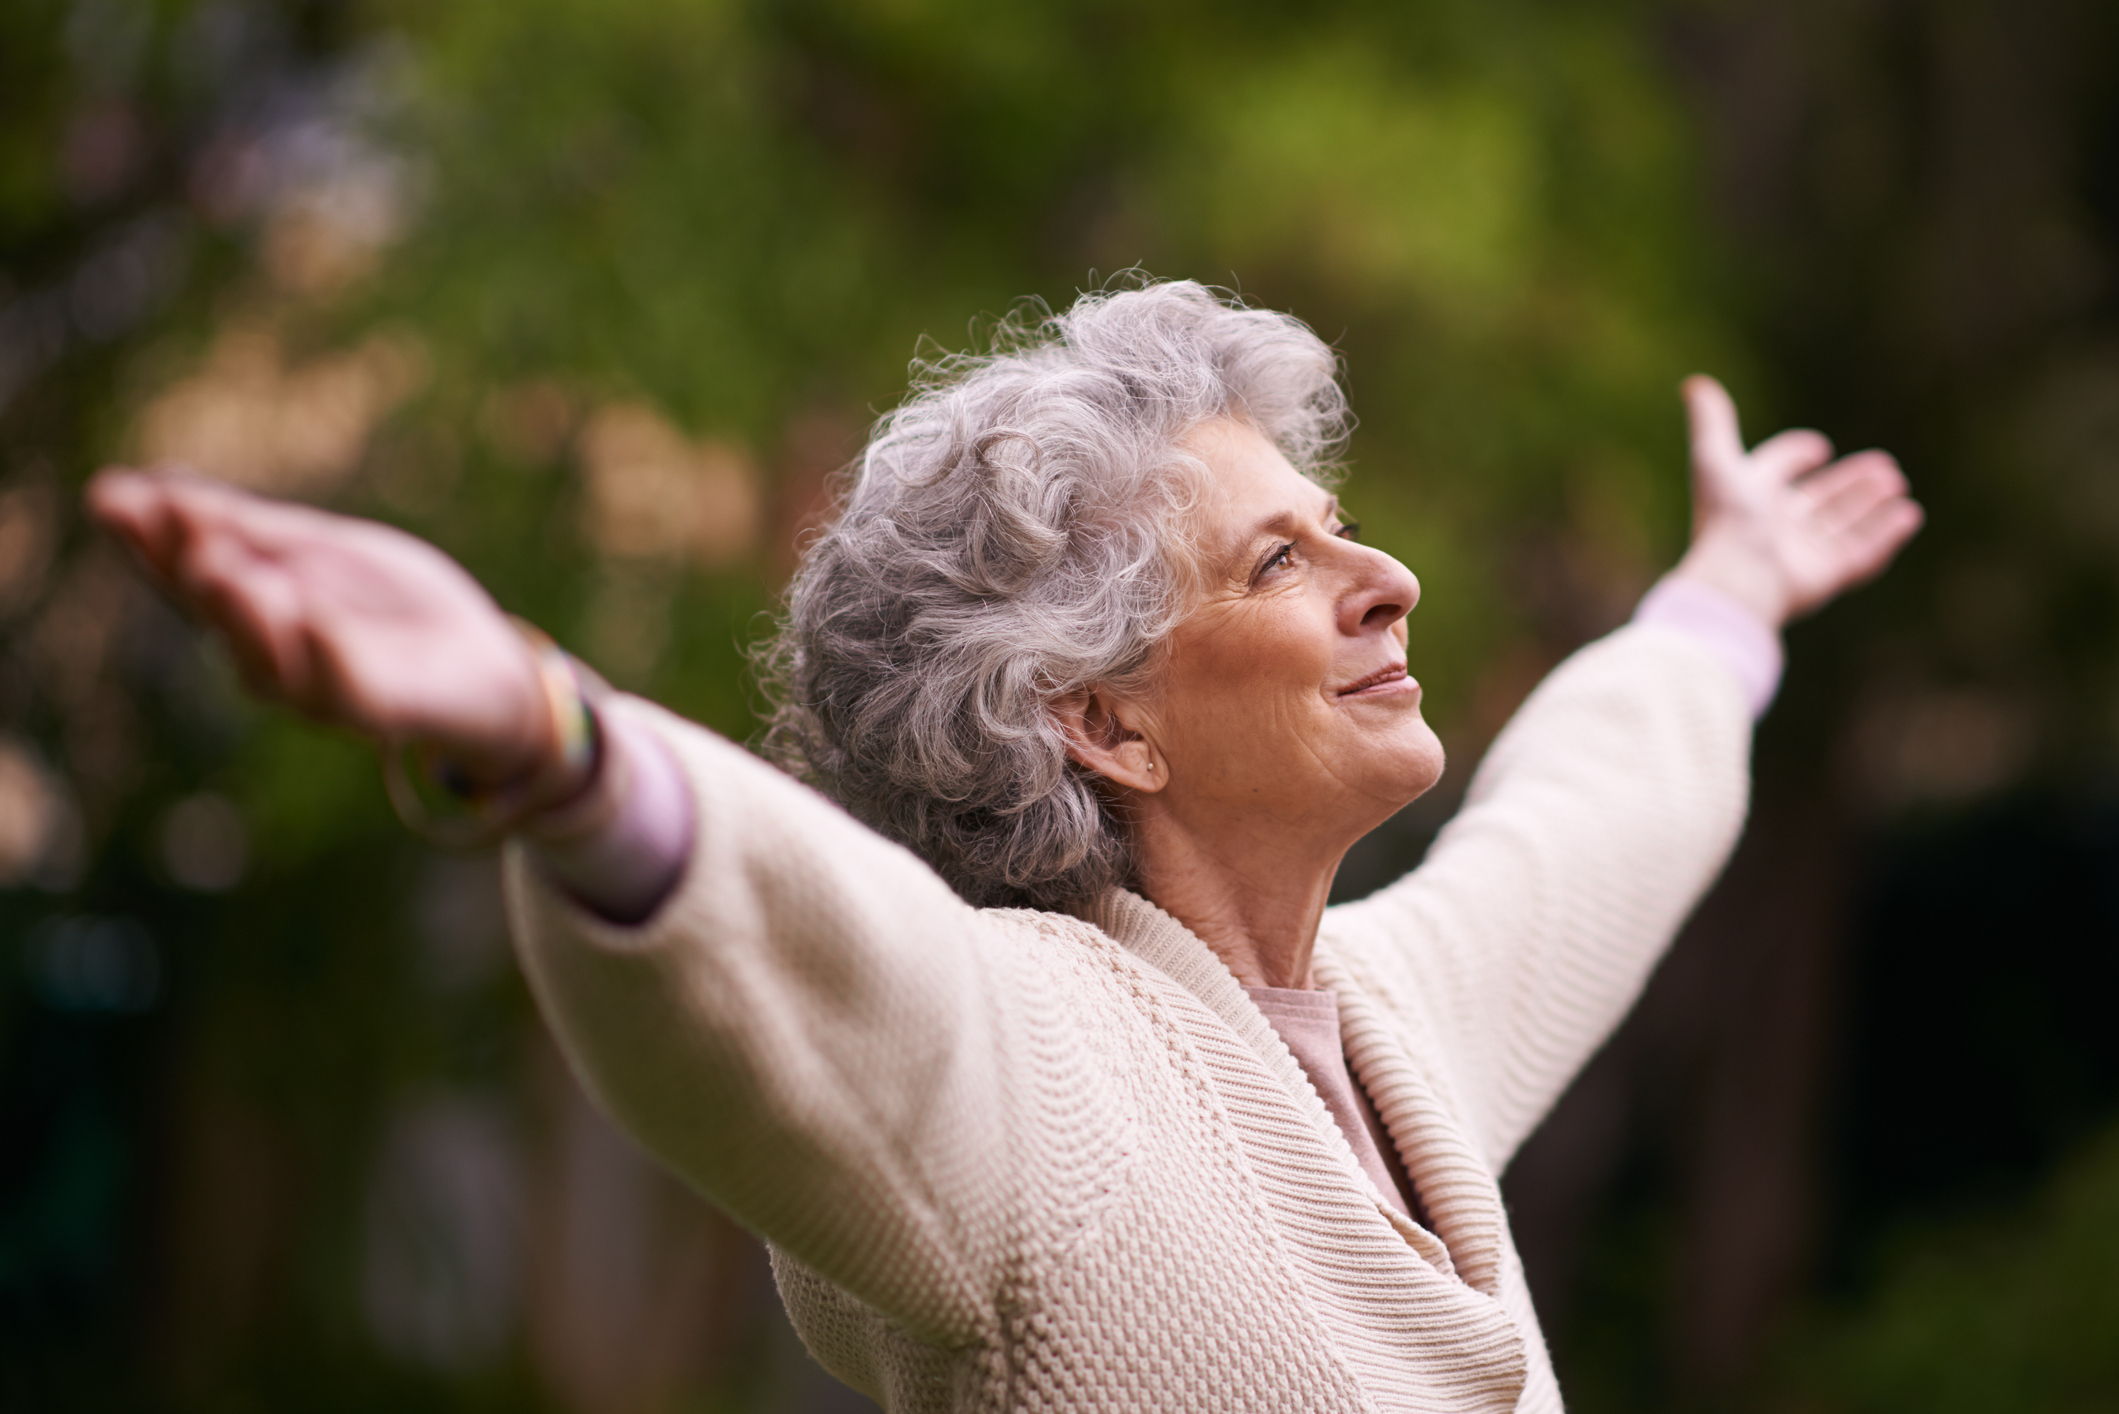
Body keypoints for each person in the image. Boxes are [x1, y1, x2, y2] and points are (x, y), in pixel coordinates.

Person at [90, 282, 1919, 1413]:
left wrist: (1732, 592)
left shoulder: (1389, 1013)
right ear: (1100, 720)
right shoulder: (1036, 1070)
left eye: (1337, 524)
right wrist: (554, 747)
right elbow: (801, 969)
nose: (1393, 580)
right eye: (1282, 561)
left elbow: (1589, 823)